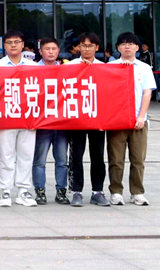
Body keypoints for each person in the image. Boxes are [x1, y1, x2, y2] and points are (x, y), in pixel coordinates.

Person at [107, 32, 156, 205]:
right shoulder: (110, 67)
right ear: (118, 48)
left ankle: (137, 192)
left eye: (131, 44)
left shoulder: (144, 68)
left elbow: (147, 93)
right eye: (123, 44)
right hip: (117, 121)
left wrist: (141, 116)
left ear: (137, 47)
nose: (127, 46)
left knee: (138, 160)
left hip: (138, 120)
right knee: (116, 160)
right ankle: (116, 191)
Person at [0, 29, 40, 207]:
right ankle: (5, 191)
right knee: (5, 155)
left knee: (26, 155)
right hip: (5, 117)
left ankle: (23, 191)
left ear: (23, 45)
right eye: (9, 42)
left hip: (28, 117)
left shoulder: (33, 66)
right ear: (4, 45)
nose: (13, 45)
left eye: (17, 42)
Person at [66, 32, 109, 206]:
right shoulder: (70, 66)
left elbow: (109, 93)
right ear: (78, 47)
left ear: (97, 48)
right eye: (83, 45)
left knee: (97, 155)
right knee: (76, 155)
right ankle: (76, 192)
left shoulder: (104, 68)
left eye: (90, 46)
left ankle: (97, 191)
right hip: (76, 119)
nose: (87, 49)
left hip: (97, 118)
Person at [32, 37, 69, 206]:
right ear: (40, 51)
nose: (51, 52)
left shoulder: (65, 70)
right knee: (39, 160)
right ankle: (39, 190)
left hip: (61, 122)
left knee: (62, 160)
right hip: (42, 123)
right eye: (47, 49)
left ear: (58, 51)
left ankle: (61, 191)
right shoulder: (32, 70)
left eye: (54, 49)